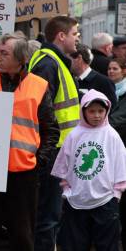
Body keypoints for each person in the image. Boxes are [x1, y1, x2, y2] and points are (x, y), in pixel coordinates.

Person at [0, 33, 59, 251]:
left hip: (23, 174)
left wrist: (37, 163)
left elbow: (51, 130)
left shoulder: (39, 85)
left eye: (4, 53)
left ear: (21, 58)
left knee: (22, 235)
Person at [28, 16, 81, 251]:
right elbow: (39, 110)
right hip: (52, 151)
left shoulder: (54, 62)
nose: (77, 38)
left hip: (57, 150)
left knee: (51, 214)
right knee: (48, 216)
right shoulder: (49, 64)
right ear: (61, 36)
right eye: (75, 34)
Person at [52, 89, 126, 251]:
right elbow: (64, 165)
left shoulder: (111, 135)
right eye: (92, 111)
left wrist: (116, 193)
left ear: (107, 110)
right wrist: (66, 189)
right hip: (76, 201)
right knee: (75, 244)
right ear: (83, 111)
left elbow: (121, 164)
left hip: (106, 201)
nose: (97, 115)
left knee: (107, 245)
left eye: (101, 111)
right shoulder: (74, 135)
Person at [108, 58, 126, 250]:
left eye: (115, 68)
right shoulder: (108, 91)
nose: (111, 71)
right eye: (109, 69)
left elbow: (116, 120)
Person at [70, 43, 117, 108]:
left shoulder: (104, 82)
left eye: (68, 58)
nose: (66, 61)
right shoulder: (70, 80)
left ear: (79, 58)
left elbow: (112, 109)